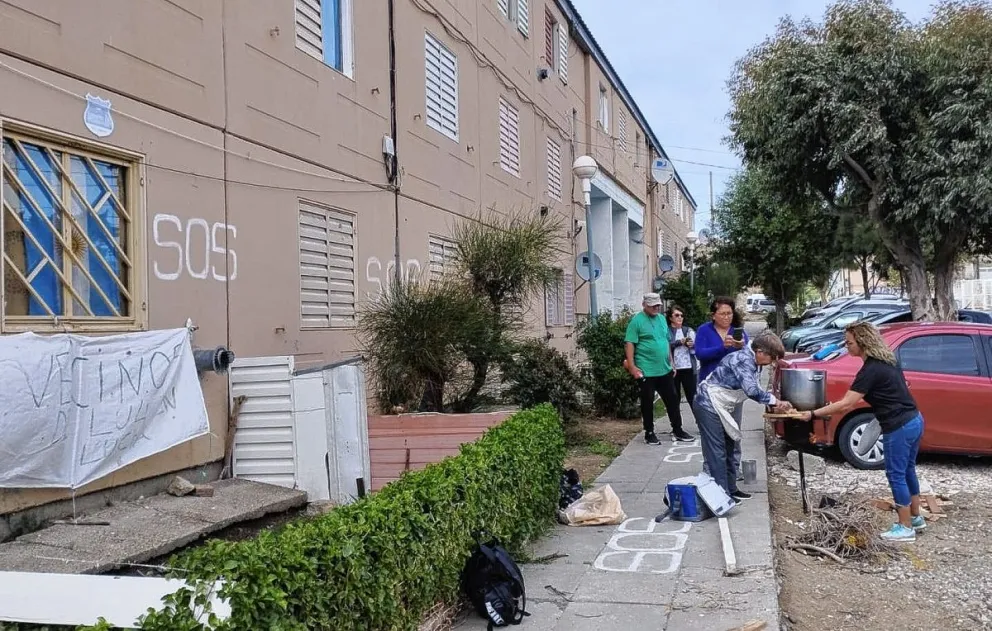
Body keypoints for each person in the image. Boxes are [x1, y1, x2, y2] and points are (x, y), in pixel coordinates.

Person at [793, 322, 925, 542]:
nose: (846, 346)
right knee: (908, 470)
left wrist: (813, 413)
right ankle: (916, 518)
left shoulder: (871, 369)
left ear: (862, 342)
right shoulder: (887, 360)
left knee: (896, 474)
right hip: (914, 419)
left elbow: (847, 404)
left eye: (849, 342)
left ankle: (905, 527)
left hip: (898, 426)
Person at [694, 332, 788, 502]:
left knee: (730, 445)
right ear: (760, 351)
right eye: (772, 358)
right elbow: (751, 390)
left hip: (723, 404)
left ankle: (730, 488)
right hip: (707, 402)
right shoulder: (744, 360)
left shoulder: (752, 359)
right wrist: (775, 401)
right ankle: (721, 496)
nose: (772, 363)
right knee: (717, 451)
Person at [624, 293, 695, 445]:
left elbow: (666, 342)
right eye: (653, 305)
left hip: (664, 368)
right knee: (648, 401)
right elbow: (630, 343)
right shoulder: (637, 321)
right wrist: (632, 366)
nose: (656, 308)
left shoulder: (662, 319)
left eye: (658, 305)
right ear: (644, 305)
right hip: (646, 368)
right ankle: (649, 432)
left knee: (672, 399)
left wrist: (672, 363)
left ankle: (677, 429)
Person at [695, 297, 750, 480]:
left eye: (729, 313)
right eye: (723, 313)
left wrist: (742, 348)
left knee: (733, 430)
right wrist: (722, 347)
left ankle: (733, 470)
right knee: (711, 433)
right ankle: (710, 470)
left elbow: (749, 358)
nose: (727, 317)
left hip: (733, 390)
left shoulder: (738, 332)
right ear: (714, 315)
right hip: (710, 389)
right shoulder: (704, 330)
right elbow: (700, 354)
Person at [667, 305, 697, 407]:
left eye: (681, 315)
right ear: (671, 318)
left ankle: (700, 421)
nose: (680, 317)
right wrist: (680, 342)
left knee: (692, 397)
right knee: (674, 398)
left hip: (688, 367)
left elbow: (697, 348)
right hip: (673, 369)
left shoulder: (688, 330)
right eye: (677, 315)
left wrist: (692, 345)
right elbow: (666, 346)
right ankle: (677, 422)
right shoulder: (667, 331)